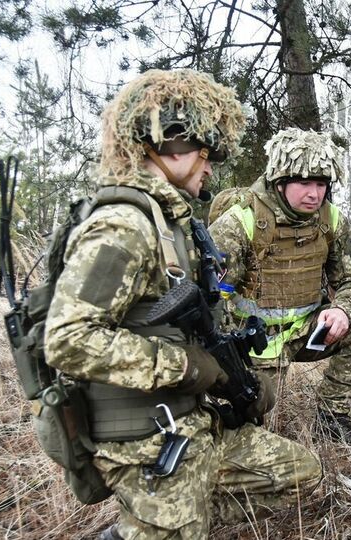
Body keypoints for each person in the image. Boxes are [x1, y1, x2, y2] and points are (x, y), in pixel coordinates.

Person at [45, 69, 322, 539]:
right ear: (169, 144)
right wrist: (185, 367)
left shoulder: (178, 226)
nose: (210, 167)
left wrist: (237, 378)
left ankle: (162, 519)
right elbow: (68, 341)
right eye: (204, 153)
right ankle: (152, 524)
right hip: (144, 435)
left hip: (189, 418)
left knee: (298, 472)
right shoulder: (123, 226)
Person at [208, 128, 351, 445]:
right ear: (280, 181)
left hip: (308, 332)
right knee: (258, 436)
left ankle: (334, 417)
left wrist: (343, 310)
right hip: (255, 342)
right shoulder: (240, 220)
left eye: (321, 184)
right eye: (304, 182)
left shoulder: (332, 219)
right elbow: (211, 295)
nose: (314, 194)